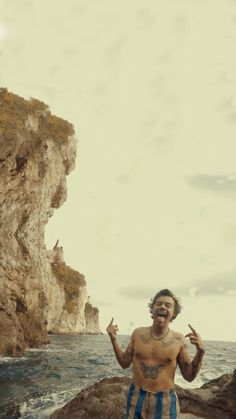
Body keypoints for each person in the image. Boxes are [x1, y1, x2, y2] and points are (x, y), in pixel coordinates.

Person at [106, 289, 205, 419]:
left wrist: (201, 352)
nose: (162, 307)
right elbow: (124, 363)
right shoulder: (138, 334)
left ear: (173, 313)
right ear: (152, 309)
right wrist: (113, 340)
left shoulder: (179, 340)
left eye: (168, 305)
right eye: (159, 304)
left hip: (165, 401)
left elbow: (189, 376)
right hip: (136, 396)